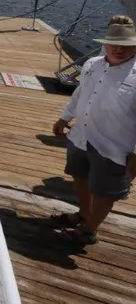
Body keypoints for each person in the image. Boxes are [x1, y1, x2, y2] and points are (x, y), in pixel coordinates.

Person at [51, 15, 136, 244]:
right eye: (113, 43)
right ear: (105, 43)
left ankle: (90, 229)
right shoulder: (92, 64)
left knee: (104, 190)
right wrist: (64, 117)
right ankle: (83, 214)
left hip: (113, 145)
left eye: (126, 45)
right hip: (81, 136)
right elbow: (80, 93)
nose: (118, 49)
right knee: (79, 175)